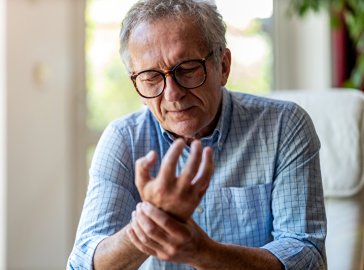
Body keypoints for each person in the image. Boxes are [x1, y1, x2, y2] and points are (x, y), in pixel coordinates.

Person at [67, 0, 327, 269]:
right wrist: (154, 219)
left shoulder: (284, 126)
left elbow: (307, 256)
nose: (172, 93)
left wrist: (203, 252)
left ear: (223, 66)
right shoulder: (124, 139)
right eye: (151, 77)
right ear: (136, 85)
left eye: (187, 69)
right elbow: (82, 264)